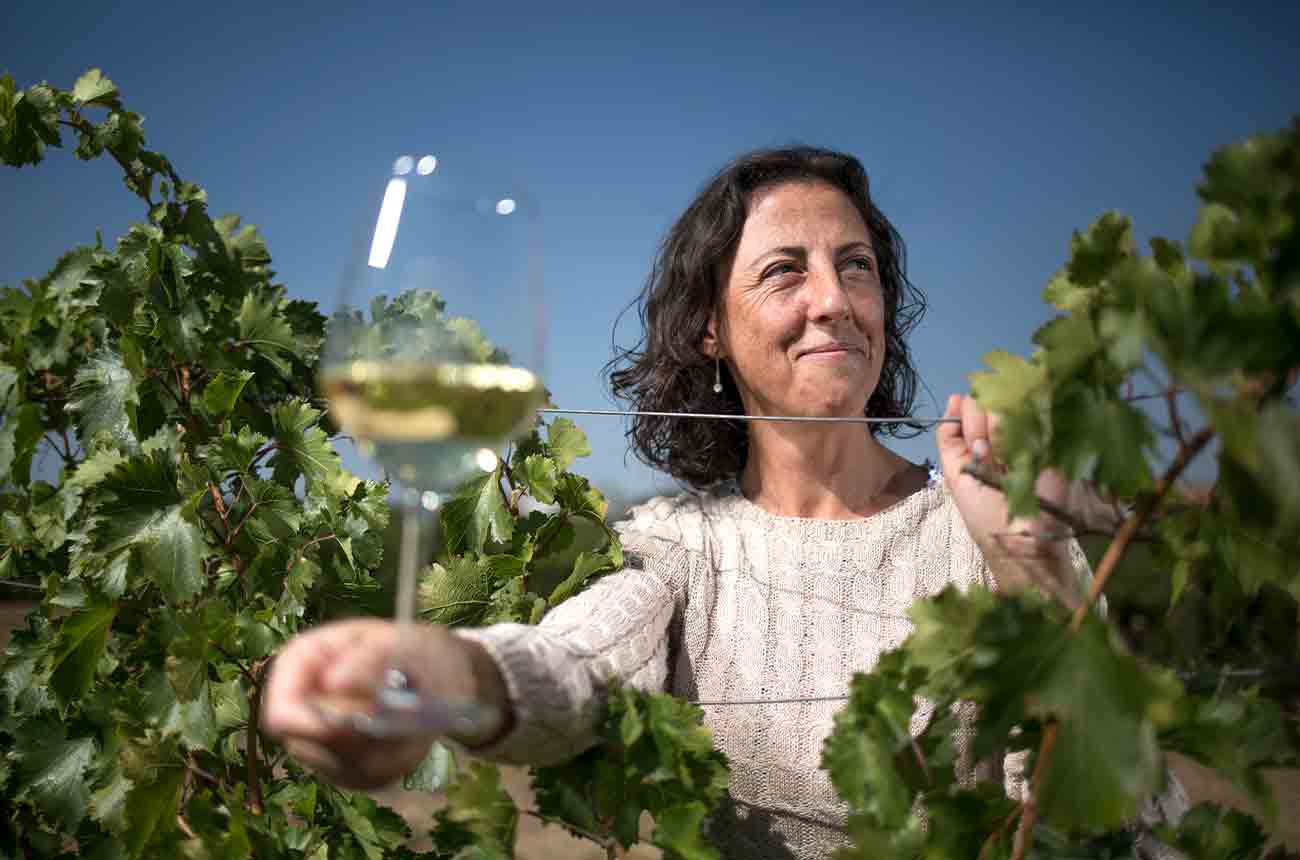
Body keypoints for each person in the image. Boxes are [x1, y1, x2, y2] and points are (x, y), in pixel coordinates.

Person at [262, 147, 1182, 858]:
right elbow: (571, 668)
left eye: (856, 266)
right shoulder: (680, 547)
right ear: (710, 327)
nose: (833, 299)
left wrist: (1033, 568)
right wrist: (443, 677)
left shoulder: (983, 529)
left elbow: (1139, 823)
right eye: (786, 270)